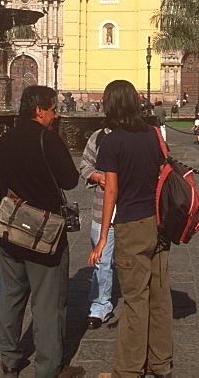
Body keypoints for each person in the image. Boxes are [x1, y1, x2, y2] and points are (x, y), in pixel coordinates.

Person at [0, 85, 83, 377]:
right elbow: (70, 180)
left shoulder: (4, 139)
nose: (55, 116)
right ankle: (48, 366)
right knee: (47, 302)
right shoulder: (48, 140)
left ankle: (9, 358)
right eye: (53, 109)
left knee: (10, 295)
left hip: (10, 227)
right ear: (40, 110)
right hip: (44, 232)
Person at [89, 79, 172, 378]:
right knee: (159, 297)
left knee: (135, 300)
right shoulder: (152, 134)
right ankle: (161, 363)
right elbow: (163, 173)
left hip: (131, 225)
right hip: (158, 223)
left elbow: (111, 191)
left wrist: (101, 239)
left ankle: (127, 370)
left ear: (111, 104)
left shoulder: (112, 141)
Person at [78, 127, 116, 331]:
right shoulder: (99, 136)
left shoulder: (140, 135)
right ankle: (100, 304)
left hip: (132, 208)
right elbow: (84, 165)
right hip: (102, 207)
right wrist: (97, 177)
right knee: (101, 259)